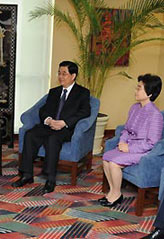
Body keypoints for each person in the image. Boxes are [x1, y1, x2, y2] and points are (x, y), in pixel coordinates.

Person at [12, 61, 90, 194]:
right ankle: (26, 175)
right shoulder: (54, 92)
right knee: (30, 134)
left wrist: (64, 122)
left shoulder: (82, 93)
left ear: (73, 75)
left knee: (53, 139)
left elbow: (85, 112)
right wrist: (49, 120)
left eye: (64, 74)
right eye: (59, 73)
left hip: (66, 128)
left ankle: (50, 178)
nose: (60, 76)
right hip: (50, 124)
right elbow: (43, 110)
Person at [100, 74, 163, 207]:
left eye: (139, 88)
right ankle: (112, 191)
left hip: (142, 151)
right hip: (128, 146)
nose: (136, 91)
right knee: (106, 158)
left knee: (113, 163)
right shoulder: (134, 108)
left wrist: (129, 148)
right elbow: (126, 129)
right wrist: (122, 142)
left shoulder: (155, 115)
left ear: (149, 93)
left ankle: (116, 194)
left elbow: (152, 143)